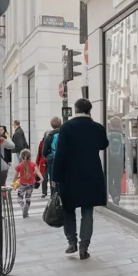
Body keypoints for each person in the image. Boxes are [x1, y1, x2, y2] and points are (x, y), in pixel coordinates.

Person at [51, 98, 109, 259]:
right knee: (87, 211)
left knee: (69, 209)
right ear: (89, 110)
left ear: (75, 110)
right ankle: (84, 246)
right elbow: (104, 144)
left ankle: (71, 242)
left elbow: (60, 153)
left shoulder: (67, 127)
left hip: (69, 175)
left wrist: (55, 176)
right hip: (91, 174)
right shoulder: (97, 127)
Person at [14, 148, 40, 217]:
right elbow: (35, 173)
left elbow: (16, 176)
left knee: (20, 197)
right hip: (31, 184)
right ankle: (26, 211)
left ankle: (23, 206)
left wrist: (13, 184)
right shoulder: (33, 164)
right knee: (28, 198)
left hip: (22, 184)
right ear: (30, 157)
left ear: (21, 157)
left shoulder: (19, 165)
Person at [40, 117, 61, 197]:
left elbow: (44, 152)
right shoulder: (65, 133)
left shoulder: (49, 136)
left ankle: (54, 197)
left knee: (53, 179)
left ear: (51, 125)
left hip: (52, 161)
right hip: (64, 161)